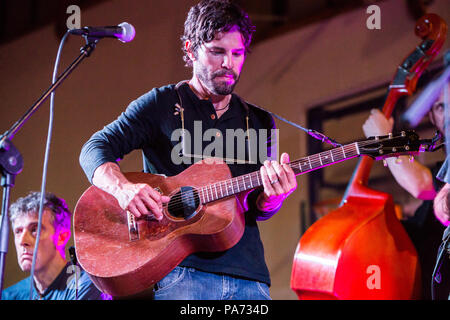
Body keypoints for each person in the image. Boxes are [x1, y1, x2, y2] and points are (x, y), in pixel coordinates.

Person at [79, 0, 297, 300]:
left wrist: (276, 197)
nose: (228, 63)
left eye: (237, 53)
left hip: (250, 277)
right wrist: (123, 190)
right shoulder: (161, 104)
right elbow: (95, 148)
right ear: (191, 49)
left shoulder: (259, 121)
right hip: (179, 273)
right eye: (217, 52)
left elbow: (259, 207)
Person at [362, 82, 449, 299]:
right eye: (441, 107)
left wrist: (383, 140)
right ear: (432, 118)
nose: (448, 114)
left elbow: (419, 184)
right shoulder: (442, 171)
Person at [1, 191, 106, 300]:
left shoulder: (86, 285)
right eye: (18, 231)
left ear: (61, 237)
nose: (22, 241)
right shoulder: (8, 295)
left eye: (34, 229)